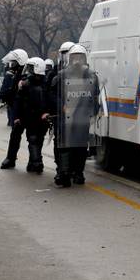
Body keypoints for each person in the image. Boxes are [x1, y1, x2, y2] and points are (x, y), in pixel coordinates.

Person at [50, 44, 99, 187]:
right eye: (75, 57)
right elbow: (53, 94)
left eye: (80, 57)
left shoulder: (91, 76)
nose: (77, 61)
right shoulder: (62, 75)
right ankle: (64, 173)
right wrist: (62, 106)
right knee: (64, 145)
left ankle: (78, 172)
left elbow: (95, 96)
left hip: (82, 119)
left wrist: (94, 112)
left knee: (81, 147)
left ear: (84, 59)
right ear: (70, 59)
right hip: (65, 118)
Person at [12, 57, 51, 174]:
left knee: (35, 140)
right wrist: (17, 116)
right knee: (36, 140)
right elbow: (19, 101)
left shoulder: (32, 84)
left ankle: (37, 162)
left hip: (34, 117)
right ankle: (33, 163)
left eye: (30, 68)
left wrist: (17, 116)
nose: (28, 71)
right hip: (35, 117)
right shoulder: (41, 84)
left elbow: (18, 101)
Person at [0, 49, 29, 168]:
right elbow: (6, 94)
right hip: (18, 110)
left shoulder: (23, 77)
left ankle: (34, 161)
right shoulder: (16, 75)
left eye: (14, 63)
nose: (11, 66)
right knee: (17, 136)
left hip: (25, 111)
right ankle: (12, 158)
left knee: (31, 138)